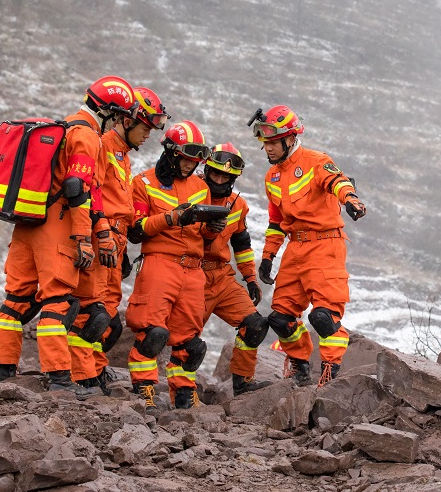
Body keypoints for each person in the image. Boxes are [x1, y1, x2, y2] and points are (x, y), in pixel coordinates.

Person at [0, 75, 139, 397]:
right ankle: (59, 379)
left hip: (27, 225)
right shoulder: (87, 135)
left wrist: (99, 228)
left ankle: (4, 370)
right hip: (57, 227)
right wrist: (84, 236)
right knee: (59, 302)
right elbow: (78, 188)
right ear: (110, 112)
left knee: (16, 299)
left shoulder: (63, 127)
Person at [248, 105, 366, 388]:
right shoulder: (272, 177)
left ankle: (330, 374)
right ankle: (299, 367)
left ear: (289, 138)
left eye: (273, 143)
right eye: (265, 144)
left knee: (324, 316)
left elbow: (337, 182)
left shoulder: (316, 161)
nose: (268, 150)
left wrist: (351, 199)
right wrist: (268, 257)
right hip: (295, 249)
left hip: (326, 245)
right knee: (280, 318)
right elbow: (276, 221)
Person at [67, 86, 169, 395]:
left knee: (109, 317)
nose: (148, 134)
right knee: (90, 312)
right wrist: (96, 235)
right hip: (102, 237)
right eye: (146, 126)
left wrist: (122, 250)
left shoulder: (122, 154)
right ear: (127, 120)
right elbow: (92, 195)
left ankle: (95, 368)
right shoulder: (103, 146)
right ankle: (80, 375)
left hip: (116, 241)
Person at [125, 120, 225, 409]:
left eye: (194, 162)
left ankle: (183, 395)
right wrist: (172, 217)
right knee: (152, 333)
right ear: (170, 152)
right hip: (159, 263)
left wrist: (213, 228)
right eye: (185, 159)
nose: (189, 166)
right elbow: (136, 230)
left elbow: (203, 235)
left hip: (193, 269)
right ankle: (144, 391)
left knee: (190, 342)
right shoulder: (143, 182)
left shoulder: (200, 187)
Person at [199, 142, 272, 396]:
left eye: (225, 176)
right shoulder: (192, 194)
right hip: (191, 274)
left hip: (221, 276)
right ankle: (181, 395)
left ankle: (243, 384)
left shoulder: (238, 205)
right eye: (215, 173)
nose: (219, 180)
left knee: (255, 325)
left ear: (233, 178)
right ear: (206, 171)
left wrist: (251, 278)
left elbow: (241, 243)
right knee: (185, 341)